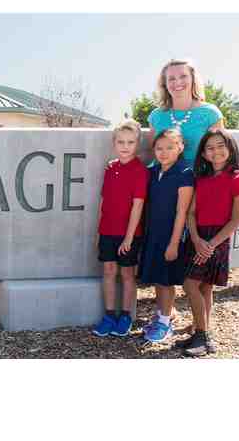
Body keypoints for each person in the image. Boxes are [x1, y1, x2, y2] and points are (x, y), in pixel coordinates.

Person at [146, 58, 224, 324]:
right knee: (166, 250)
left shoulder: (210, 113)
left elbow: (221, 151)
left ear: (192, 79)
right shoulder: (157, 116)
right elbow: (153, 156)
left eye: (182, 76)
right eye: (171, 78)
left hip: (203, 192)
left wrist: (236, 173)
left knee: (201, 258)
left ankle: (201, 325)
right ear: (164, 84)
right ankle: (166, 314)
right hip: (167, 194)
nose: (177, 82)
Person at [179, 129, 239, 356]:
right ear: (203, 153)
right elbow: (191, 213)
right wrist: (196, 238)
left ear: (230, 148)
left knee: (190, 285)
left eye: (220, 146)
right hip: (198, 236)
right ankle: (202, 330)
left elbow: (236, 220)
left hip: (218, 239)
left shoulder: (237, 178)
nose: (215, 151)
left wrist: (210, 245)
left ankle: (203, 337)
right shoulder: (202, 177)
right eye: (210, 147)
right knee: (203, 287)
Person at [92, 120, 149, 337]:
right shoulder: (110, 168)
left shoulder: (140, 171)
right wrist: (99, 231)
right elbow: (103, 201)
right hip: (108, 231)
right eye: (121, 142)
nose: (125, 146)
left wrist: (129, 237)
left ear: (137, 144)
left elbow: (138, 205)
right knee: (108, 272)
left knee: (127, 274)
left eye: (130, 142)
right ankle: (109, 316)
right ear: (114, 143)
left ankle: (125, 316)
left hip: (129, 235)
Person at [139, 129, 194, 343]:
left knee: (166, 280)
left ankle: (165, 323)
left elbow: (182, 212)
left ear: (180, 148)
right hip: (153, 233)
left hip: (171, 236)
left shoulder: (184, 173)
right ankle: (163, 314)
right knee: (157, 277)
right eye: (159, 148)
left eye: (170, 147)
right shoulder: (153, 171)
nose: (164, 152)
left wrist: (174, 243)